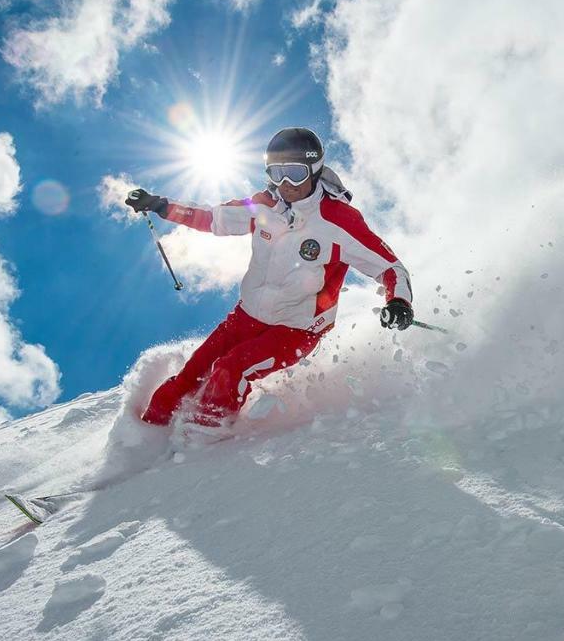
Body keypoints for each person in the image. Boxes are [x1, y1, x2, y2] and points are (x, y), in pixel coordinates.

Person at [125, 126, 414, 436]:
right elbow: (211, 217)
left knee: (230, 369)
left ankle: (201, 447)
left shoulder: (338, 219)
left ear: (315, 171)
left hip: (296, 328)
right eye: (277, 173)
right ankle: (144, 439)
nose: (286, 184)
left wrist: (398, 301)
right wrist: (161, 206)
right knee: (190, 376)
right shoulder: (264, 205)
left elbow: (389, 266)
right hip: (247, 315)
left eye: (294, 172)